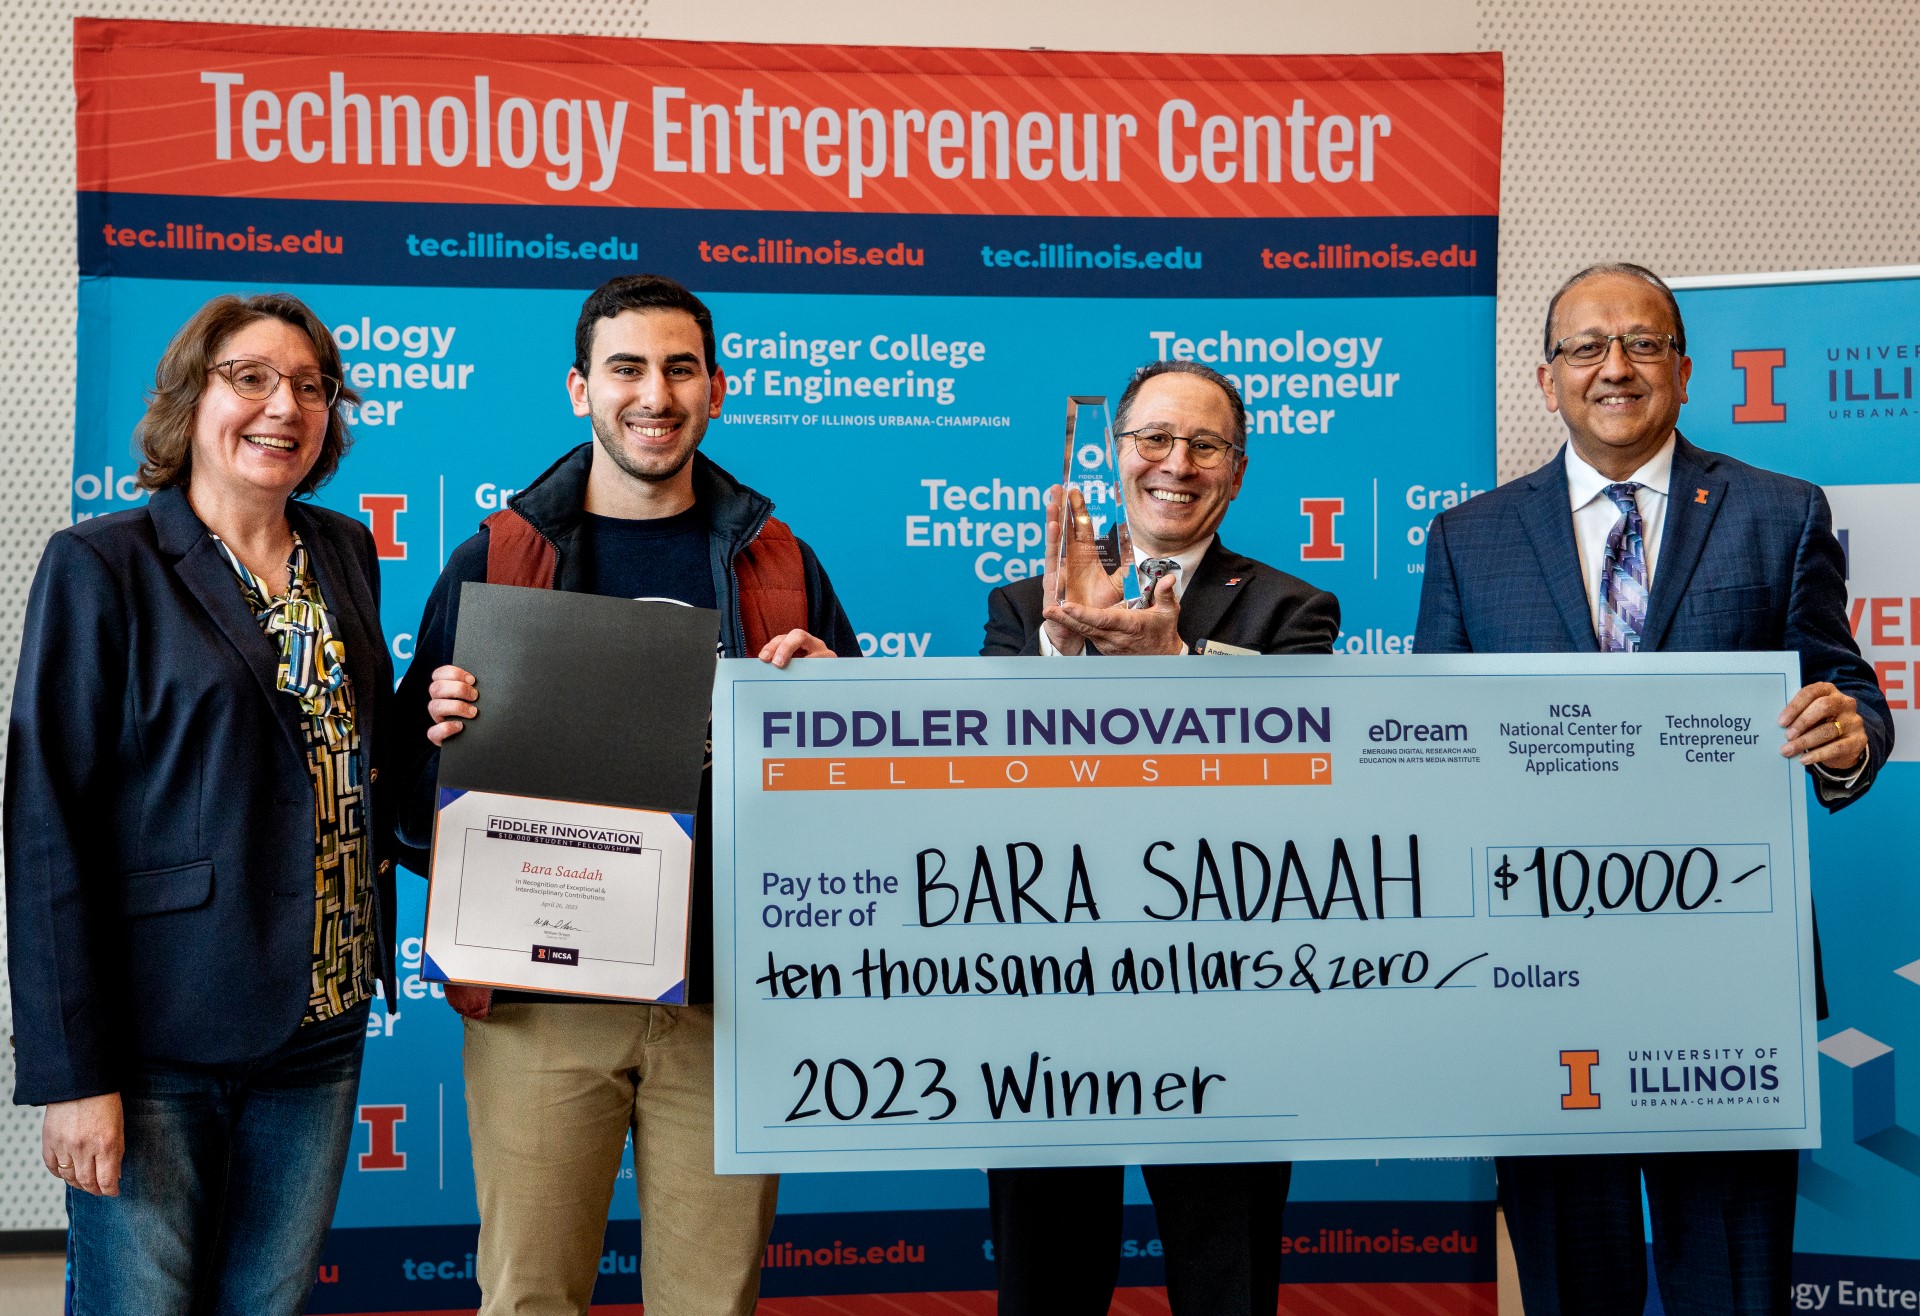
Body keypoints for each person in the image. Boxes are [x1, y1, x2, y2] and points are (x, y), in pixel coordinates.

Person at [1415, 262, 1892, 1316]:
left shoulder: (1779, 511)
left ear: (1684, 368)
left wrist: (1850, 734)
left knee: (1733, 1280)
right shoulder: (1470, 538)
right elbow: (1431, 748)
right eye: (1587, 347)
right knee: (1574, 1282)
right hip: (1535, 978)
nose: (1614, 367)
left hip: (1729, 978)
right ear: (1547, 380)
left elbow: (1844, 683)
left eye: (1641, 344)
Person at [396, 273, 858, 1316]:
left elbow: (853, 794)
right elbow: (406, 799)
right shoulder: (499, 557)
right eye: (627, 368)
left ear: (717, 389)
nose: (655, 392)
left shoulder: (780, 561)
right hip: (540, 1004)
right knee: (528, 1297)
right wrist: (443, 743)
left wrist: (829, 710)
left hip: (726, 999)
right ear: (579, 389)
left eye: (679, 368)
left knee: (710, 1302)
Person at [5, 292, 397, 1314]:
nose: (285, 406)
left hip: (320, 1020)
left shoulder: (345, 553)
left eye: (311, 386)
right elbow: (48, 825)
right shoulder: (103, 564)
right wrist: (70, 1075)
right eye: (253, 378)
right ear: (192, 399)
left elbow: (373, 762)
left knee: (262, 1306)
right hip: (158, 1037)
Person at [980, 359, 1338, 1315]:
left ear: (1238, 470)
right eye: (1154, 440)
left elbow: (1291, 792)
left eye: (1205, 445)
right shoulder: (1023, 607)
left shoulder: (1293, 613)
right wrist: (1066, 638)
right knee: (1043, 1288)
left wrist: (1172, 665)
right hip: (1045, 998)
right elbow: (985, 785)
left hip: (1223, 1001)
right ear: (1115, 452)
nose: (1176, 464)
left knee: (1228, 1287)